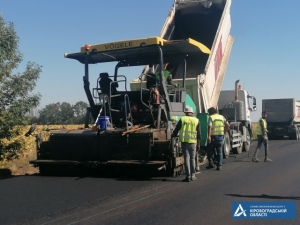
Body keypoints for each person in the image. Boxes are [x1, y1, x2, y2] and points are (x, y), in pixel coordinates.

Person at [172, 106, 201, 182]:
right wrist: (198, 144)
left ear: (185, 113)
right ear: (192, 113)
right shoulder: (196, 120)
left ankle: (188, 176)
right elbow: (199, 134)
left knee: (187, 159)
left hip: (185, 142)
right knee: (192, 159)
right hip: (193, 142)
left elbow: (176, 130)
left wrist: (173, 135)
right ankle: (193, 176)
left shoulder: (182, 119)